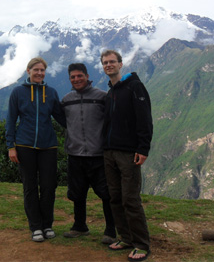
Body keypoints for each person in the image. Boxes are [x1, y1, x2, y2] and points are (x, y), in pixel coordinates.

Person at [5, 57, 66, 242]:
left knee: (48, 187)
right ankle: (36, 227)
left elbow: (62, 118)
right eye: (36, 70)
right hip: (24, 145)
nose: (39, 73)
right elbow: (10, 119)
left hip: (48, 145)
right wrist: (10, 146)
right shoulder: (17, 92)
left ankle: (47, 225)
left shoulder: (52, 93)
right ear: (28, 71)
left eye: (42, 70)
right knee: (30, 187)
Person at [101, 50, 153, 261]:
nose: (108, 65)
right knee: (115, 197)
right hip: (109, 152)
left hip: (128, 153)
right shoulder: (111, 92)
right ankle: (126, 237)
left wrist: (143, 148)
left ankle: (141, 244)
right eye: (105, 62)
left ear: (121, 64)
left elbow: (144, 118)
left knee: (130, 199)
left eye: (112, 62)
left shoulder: (134, 87)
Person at [61, 63, 117, 244]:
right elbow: (64, 121)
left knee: (106, 194)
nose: (76, 79)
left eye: (79, 76)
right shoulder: (67, 100)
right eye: (73, 77)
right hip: (75, 155)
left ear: (87, 76)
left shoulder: (102, 97)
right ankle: (79, 226)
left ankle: (110, 230)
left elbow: (111, 120)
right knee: (77, 193)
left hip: (98, 155)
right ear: (69, 79)